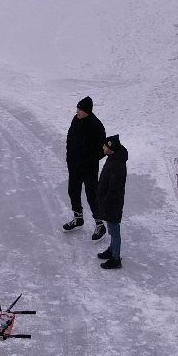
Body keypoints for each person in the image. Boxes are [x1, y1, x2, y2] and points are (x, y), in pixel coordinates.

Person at [62, 96, 108, 239]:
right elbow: (70, 139)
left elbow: (102, 150)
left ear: (87, 111)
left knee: (92, 195)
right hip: (74, 166)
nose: (77, 111)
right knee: (73, 191)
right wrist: (69, 158)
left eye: (80, 109)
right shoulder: (76, 120)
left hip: (89, 168)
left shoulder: (97, 126)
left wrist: (89, 160)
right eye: (77, 109)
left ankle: (100, 225)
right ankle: (78, 218)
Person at [96, 135, 128, 270]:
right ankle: (111, 249)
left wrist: (104, 203)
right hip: (109, 202)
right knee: (111, 229)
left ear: (111, 148)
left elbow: (114, 189)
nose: (103, 147)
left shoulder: (117, 165)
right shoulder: (113, 158)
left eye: (105, 146)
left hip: (112, 204)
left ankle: (116, 259)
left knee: (114, 231)